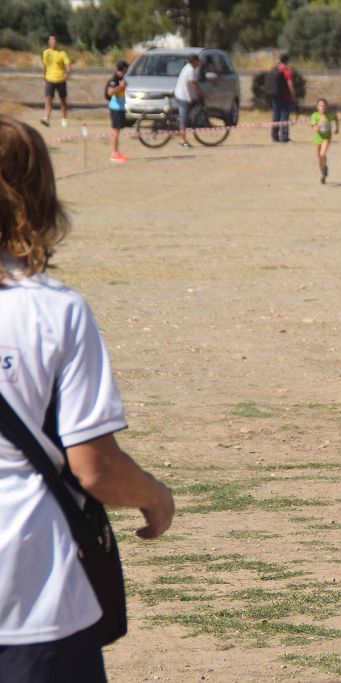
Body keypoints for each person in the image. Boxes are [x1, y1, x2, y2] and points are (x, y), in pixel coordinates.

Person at [0, 115, 175, 682]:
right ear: (39, 198)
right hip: (31, 593)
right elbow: (95, 469)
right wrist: (155, 497)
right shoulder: (53, 311)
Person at [41, 36, 71, 128]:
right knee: (48, 99)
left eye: (54, 41)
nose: (53, 42)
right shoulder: (46, 53)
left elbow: (69, 66)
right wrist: (44, 76)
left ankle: (64, 119)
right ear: (49, 42)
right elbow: (45, 66)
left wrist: (66, 75)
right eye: (51, 41)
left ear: (57, 42)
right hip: (50, 79)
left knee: (63, 100)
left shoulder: (62, 53)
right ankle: (47, 118)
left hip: (60, 80)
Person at [174, 54, 202, 148]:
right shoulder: (190, 70)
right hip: (183, 96)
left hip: (182, 94)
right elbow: (194, 84)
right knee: (184, 119)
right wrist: (202, 93)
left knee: (185, 117)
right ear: (195, 62)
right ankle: (182, 141)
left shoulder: (188, 67)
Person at [309, 98, 339, 184]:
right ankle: (323, 173)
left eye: (324, 105)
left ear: (326, 107)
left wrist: (337, 129)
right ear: (317, 107)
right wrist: (317, 126)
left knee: (323, 154)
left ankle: (325, 168)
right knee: (319, 158)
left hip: (327, 138)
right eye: (320, 105)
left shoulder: (329, 115)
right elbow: (314, 127)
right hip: (318, 138)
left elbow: (336, 118)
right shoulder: (315, 115)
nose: (322, 107)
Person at [106, 60, 129, 163]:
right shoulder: (114, 78)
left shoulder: (121, 78)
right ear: (123, 69)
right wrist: (120, 87)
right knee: (116, 131)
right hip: (115, 108)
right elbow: (110, 92)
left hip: (120, 107)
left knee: (118, 130)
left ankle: (116, 151)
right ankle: (114, 153)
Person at [270, 53, 296, 143]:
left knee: (275, 116)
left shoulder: (275, 69)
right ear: (287, 61)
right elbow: (290, 85)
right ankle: (284, 137)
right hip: (285, 97)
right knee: (284, 117)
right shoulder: (287, 71)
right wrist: (293, 96)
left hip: (275, 96)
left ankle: (274, 136)